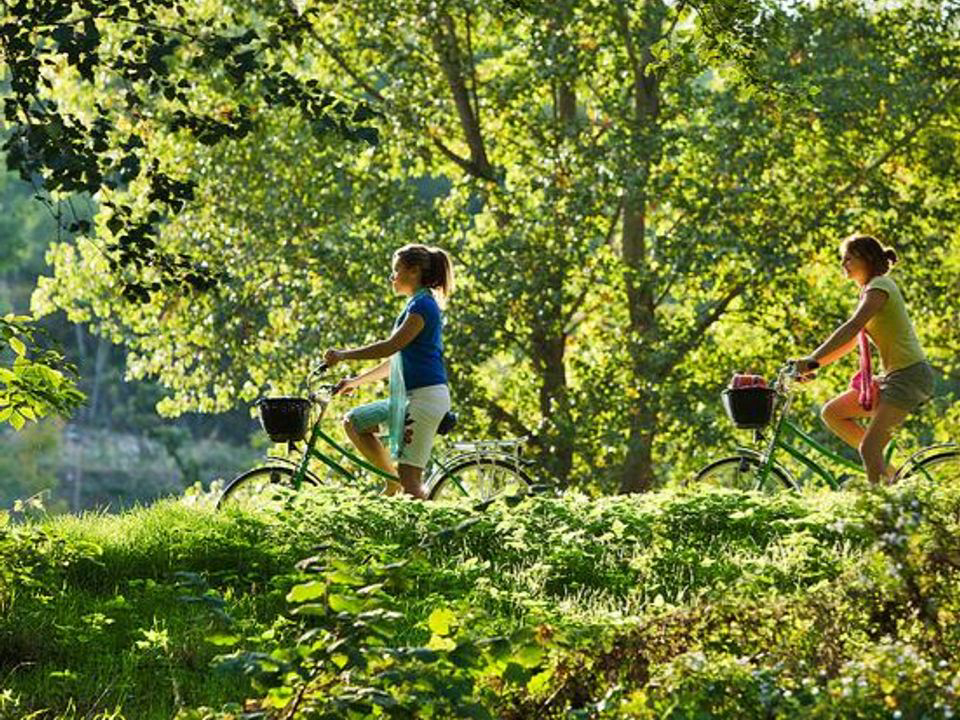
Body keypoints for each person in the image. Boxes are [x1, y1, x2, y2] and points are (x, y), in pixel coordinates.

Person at [794, 233, 934, 484]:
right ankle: (889, 475)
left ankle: (879, 517)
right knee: (833, 412)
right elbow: (849, 342)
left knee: (869, 449)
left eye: (849, 258)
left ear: (867, 259)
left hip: (909, 376)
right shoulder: (871, 291)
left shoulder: (880, 286)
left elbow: (853, 325)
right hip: (895, 377)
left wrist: (812, 358)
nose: (843, 264)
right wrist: (814, 365)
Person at [323, 244, 454, 499]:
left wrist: (343, 355)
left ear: (414, 272)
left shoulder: (424, 306)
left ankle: (428, 536)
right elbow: (397, 359)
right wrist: (356, 381)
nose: (392, 277)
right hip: (409, 398)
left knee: (412, 483)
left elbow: (391, 346)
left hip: (424, 399)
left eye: (396, 270)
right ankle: (391, 480)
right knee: (355, 421)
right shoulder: (414, 304)